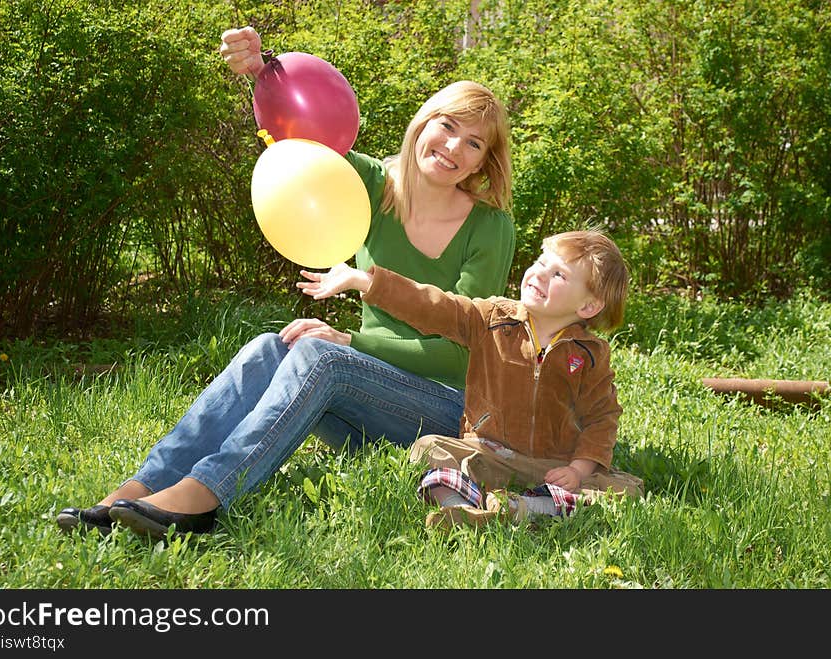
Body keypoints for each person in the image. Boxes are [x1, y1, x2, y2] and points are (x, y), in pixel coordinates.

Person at [55, 26, 516, 539]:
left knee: (321, 353)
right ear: (423, 122)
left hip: (444, 412)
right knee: (270, 348)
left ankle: (205, 496)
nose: (453, 146)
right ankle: (140, 490)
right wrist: (262, 73)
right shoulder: (367, 183)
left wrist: (350, 340)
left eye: (473, 143)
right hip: (361, 410)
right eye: (447, 125)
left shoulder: (489, 227)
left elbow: (466, 352)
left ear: (484, 161)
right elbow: (298, 141)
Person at [298, 229, 644, 530]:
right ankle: (461, 511)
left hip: (552, 466)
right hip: (488, 453)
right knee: (429, 449)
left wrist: (579, 470)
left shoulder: (588, 354)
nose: (539, 273)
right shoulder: (492, 318)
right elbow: (434, 306)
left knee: (624, 490)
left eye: (558, 274)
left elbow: (602, 417)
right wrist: (366, 280)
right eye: (540, 262)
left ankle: (526, 508)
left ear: (588, 306)